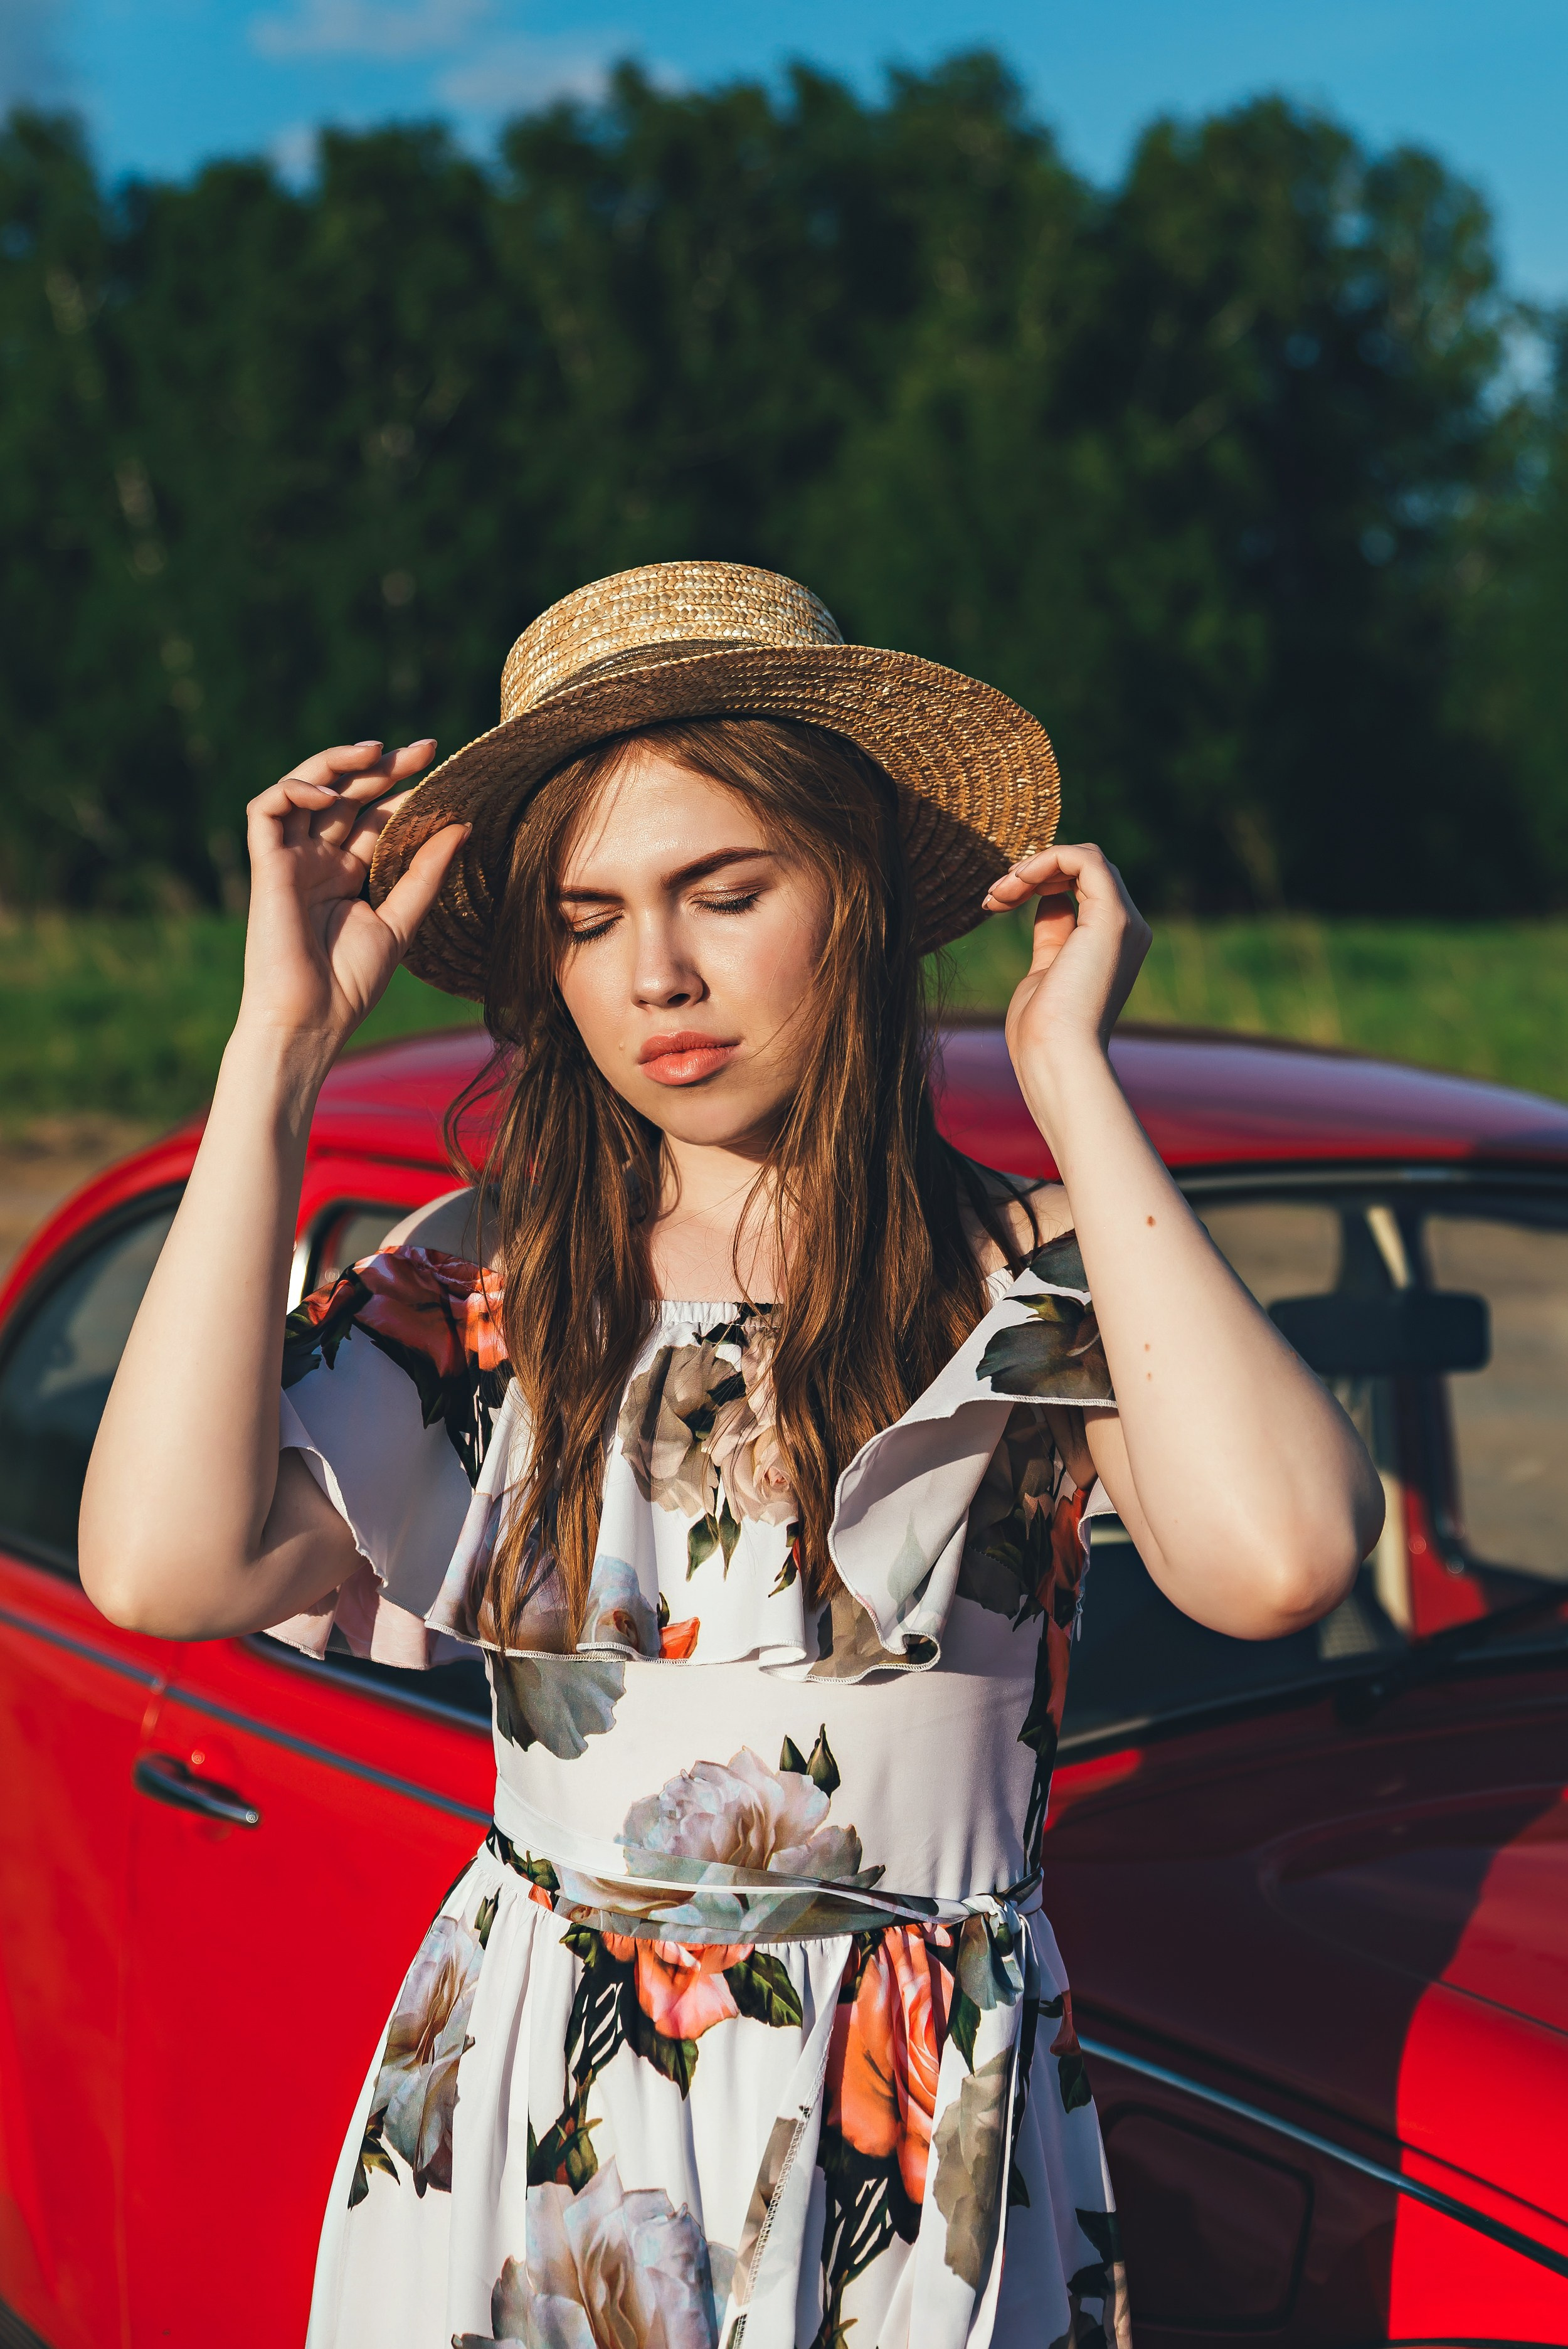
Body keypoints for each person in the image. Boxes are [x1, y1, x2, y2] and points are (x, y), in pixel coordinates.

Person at [81, 561, 1382, 2349]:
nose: (657, 975)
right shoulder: (484, 1291)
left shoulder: (1032, 1278)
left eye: (724, 890)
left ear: (851, 898)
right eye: (590, 914)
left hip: (921, 2122)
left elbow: (1284, 1554)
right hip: (552, 2116)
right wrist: (280, 1049)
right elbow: (160, 1567)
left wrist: (1073, 1081)